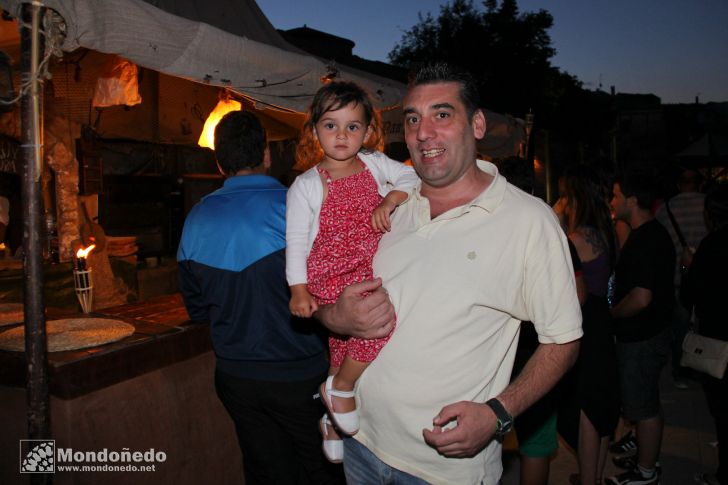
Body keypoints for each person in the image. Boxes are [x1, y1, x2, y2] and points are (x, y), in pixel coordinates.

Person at [315, 62, 583, 485]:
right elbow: (325, 290)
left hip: (443, 470)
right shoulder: (384, 203)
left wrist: (499, 412)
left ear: (476, 124)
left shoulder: (529, 222)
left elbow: (563, 341)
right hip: (360, 444)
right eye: (413, 119)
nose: (423, 133)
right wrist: (334, 316)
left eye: (442, 115)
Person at [177, 111, 341, 484]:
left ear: (219, 161)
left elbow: (198, 309)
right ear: (266, 155)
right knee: (323, 469)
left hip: (237, 378)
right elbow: (332, 289)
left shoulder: (195, 219)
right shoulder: (300, 206)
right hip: (301, 374)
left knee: (266, 470)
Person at [285, 81, 418, 462]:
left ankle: (330, 416)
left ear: (367, 131)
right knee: (379, 323)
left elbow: (411, 177)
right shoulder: (306, 185)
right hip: (330, 274)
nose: (341, 135)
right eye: (331, 125)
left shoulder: (376, 164)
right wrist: (298, 289)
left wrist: (392, 197)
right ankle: (341, 388)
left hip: (364, 266)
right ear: (314, 131)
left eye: (352, 126)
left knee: (342, 346)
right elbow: (294, 241)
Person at [607, 170, 675, 485]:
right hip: (648, 333)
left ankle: (646, 472)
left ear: (632, 201)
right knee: (644, 401)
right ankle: (645, 457)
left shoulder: (647, 238)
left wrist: (613, 314)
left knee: (644, 407)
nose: (613, 200)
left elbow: (642, 297)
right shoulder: (648, 233)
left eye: (617, 195)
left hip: (642, 336)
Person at [557, 165, 621, 485]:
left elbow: (574, 294)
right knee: (601, 399)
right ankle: (593, 475)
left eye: (566, 196)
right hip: (604, 322)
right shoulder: (606, 232)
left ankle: (588, 480)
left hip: (585, 324)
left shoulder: (575, 238)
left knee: (583, 405)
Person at [681, 183, 728, 485]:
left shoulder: (711, 246)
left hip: (718, 341)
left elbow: (689, 296)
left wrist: (689, 266)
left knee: (722, 410)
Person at [654, 168, 708, 388]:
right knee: (704, 325)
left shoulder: (667, 209)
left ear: (679, 184)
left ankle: (680, 370)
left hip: (677, 278)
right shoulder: (707, 205)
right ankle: (707, 366)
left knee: (680, 328)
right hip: (705, 278)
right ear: (698, 184)